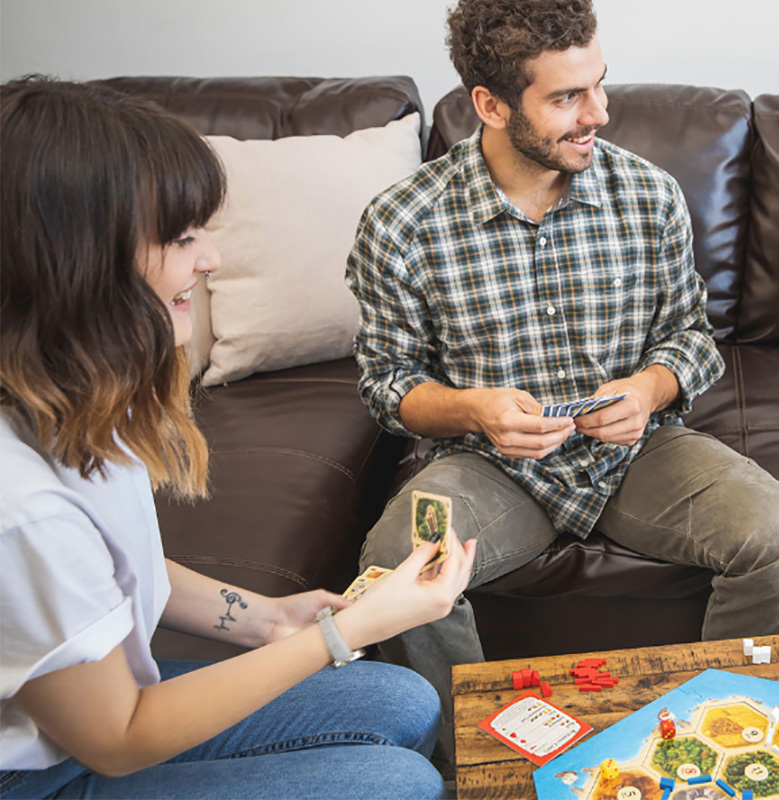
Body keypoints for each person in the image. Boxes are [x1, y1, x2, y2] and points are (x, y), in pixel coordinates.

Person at [346, 0, 779, 751]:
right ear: (491, 105)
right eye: (567, 97)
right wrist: (475, 410)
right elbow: (386, 385)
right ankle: (468, 767)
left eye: (598, 85)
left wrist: (648, 389)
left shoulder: (648, 194)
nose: (598, 112)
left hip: (641, 453)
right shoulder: (402, 223)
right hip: (491, 467)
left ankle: (727, 738)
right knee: (391, 566)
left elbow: (690, 338)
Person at [0, 77, 476, 800]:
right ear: (82, 263)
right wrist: (337, 638)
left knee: (404, 701)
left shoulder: (78, 396)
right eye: (181, 236)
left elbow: (124, 568)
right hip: (47, 769)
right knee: (397, 784)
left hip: (92, 729)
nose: (211, 259)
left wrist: (266, 619)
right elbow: (118, 740)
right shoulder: (20, 505)